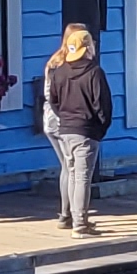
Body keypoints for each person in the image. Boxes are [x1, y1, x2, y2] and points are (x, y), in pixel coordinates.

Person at [40, 22, 112, 236]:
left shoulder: (59, 71)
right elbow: (103, 105)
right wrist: (100, 127)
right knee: (81, 177)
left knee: (71, 173)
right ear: (88, 48)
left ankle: (71, 217)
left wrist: (64, 117)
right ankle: (80, 223)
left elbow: (52, 100)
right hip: (86, 130)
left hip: (65, 129)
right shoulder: (94, 72)